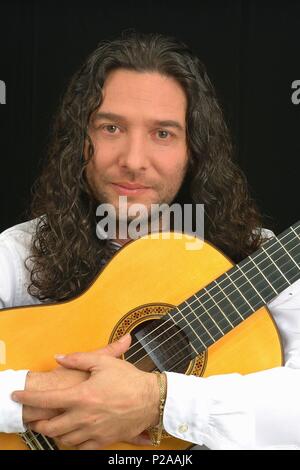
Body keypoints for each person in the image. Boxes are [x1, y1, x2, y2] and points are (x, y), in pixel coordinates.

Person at [0, 31, 300, 450]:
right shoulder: (18, 253)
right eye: (111, 127)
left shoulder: (263, 258)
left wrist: (155, 399)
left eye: (163, 134)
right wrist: (51, 396)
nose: (133, 160)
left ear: (194, 150)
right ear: (79, 141)